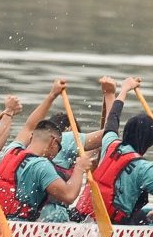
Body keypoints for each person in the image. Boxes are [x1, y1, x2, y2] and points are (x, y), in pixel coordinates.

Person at [75, 77, 153, 224]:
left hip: (83, 215)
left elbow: (113, 118)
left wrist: (124, 89)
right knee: (150, 216)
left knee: (144, 211)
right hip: (114, 224)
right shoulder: (144, 169)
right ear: (148, 142)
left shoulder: (110, 143)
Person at [0, 79, 93, 221]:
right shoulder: (42, 166)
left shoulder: (12, 150)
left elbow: (29, 127)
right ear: (52, 142)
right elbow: (69, 196)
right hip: (19, 227)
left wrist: (52, 95)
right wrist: (80, 168)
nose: (57, 153)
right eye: (59, 147)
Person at [41, 76, 116, 221]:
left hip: (37, 213)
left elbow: (97, 149)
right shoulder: (67, 139)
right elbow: (109, 134)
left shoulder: (40, 143)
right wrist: (109, 95)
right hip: (53, 217)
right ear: (68, 130)